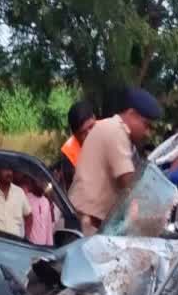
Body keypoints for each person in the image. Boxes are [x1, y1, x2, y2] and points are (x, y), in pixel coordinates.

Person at [69, 87, 162, 235]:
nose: (147, 132)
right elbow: (130, 185)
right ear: (132, 114)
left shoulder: (116, 132)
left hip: (87, 225)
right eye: (146, 125)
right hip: (84, 226)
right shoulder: (116, 131)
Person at [0, 166, 34, 238]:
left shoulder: (19, 192)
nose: (9, 172)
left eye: (10, 169)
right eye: (5, 169)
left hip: (15, 244)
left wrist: (26, 237)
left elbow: (29, 216)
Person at [61, 101, 97, 168]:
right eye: (83, 132)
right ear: (75, 135)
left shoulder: (108, 128)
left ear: (94, 118)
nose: (90, 134)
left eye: (91, 127)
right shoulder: (69, 155)